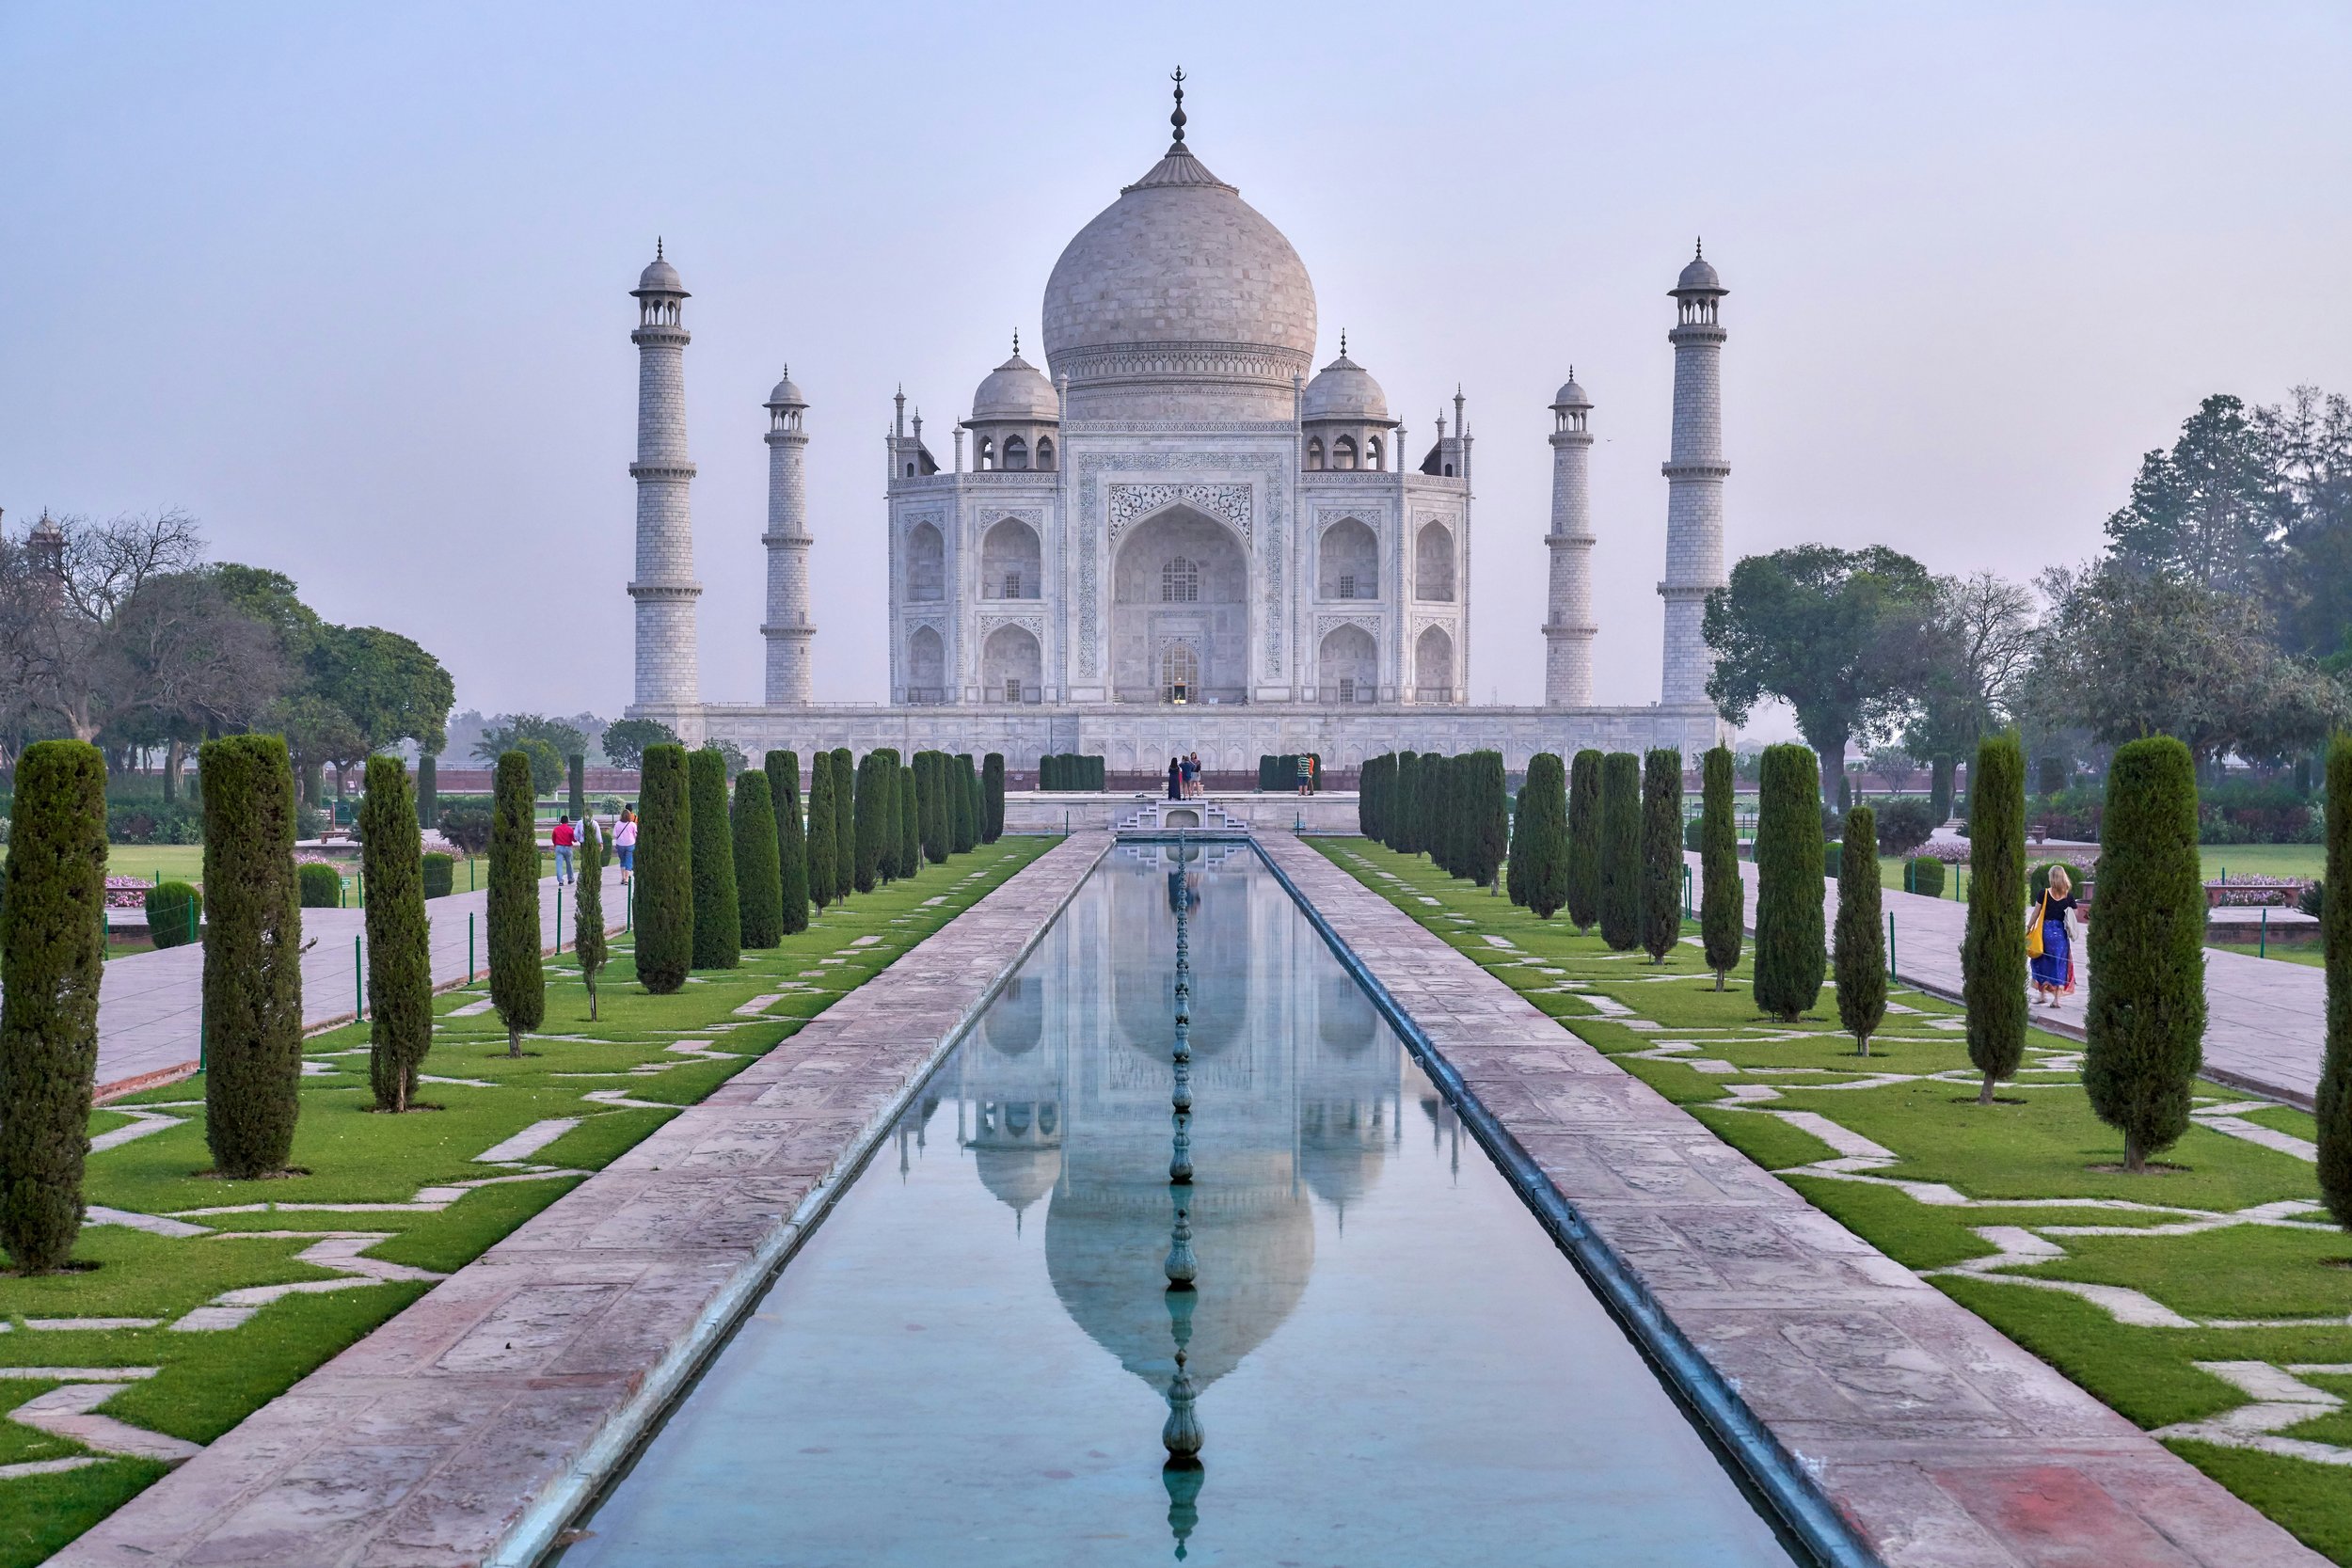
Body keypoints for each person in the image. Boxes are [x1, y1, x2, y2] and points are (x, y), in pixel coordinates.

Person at [2027, 864, 2079, 1006]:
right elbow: (2075, 914)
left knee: (2040, 962)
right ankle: (2056, 1000)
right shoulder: (2068, 896)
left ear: (2051, 878)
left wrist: (2028, 927)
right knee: (2059, 964)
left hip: (2044, 933)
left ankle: (2042, 995)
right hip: (2061, 935)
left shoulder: (2043, 893)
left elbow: (2036, 913)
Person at [612, 806, 639, 883]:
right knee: (629, 861)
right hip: (630, 844)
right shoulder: (632, 824)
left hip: (620, 844)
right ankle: (627, 879)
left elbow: (614, 835)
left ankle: (623, 877)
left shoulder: (617, 824)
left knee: (622, 861)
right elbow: (636, 834)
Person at [551, 814, 576, 887]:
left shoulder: (556, 829)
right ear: (567, 821)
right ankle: (570, 879)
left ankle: (560, 880)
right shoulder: (570, 829)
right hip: (568, 847)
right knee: (569, 864)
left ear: (560, 821)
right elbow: (574, 839)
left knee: (559, 864)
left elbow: (553, 838)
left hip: (559, 847)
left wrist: (555, 844)